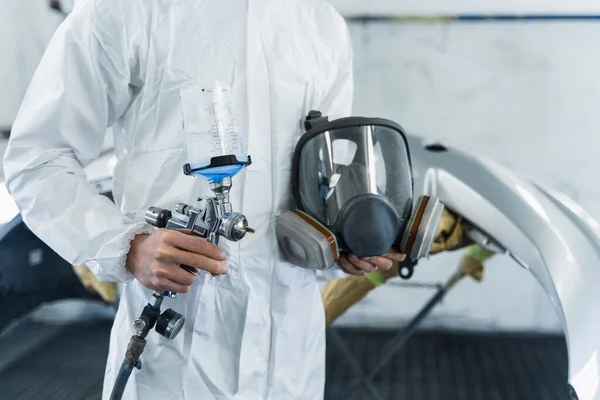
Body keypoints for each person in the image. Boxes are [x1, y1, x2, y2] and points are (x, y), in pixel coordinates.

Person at [3, 0, 405, 399]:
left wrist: (341, 246)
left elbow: (323, 179)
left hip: (289, 358)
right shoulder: (127, 10)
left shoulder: (321, 23)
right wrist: (126, 246)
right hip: (178, 351)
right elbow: (38, 159)